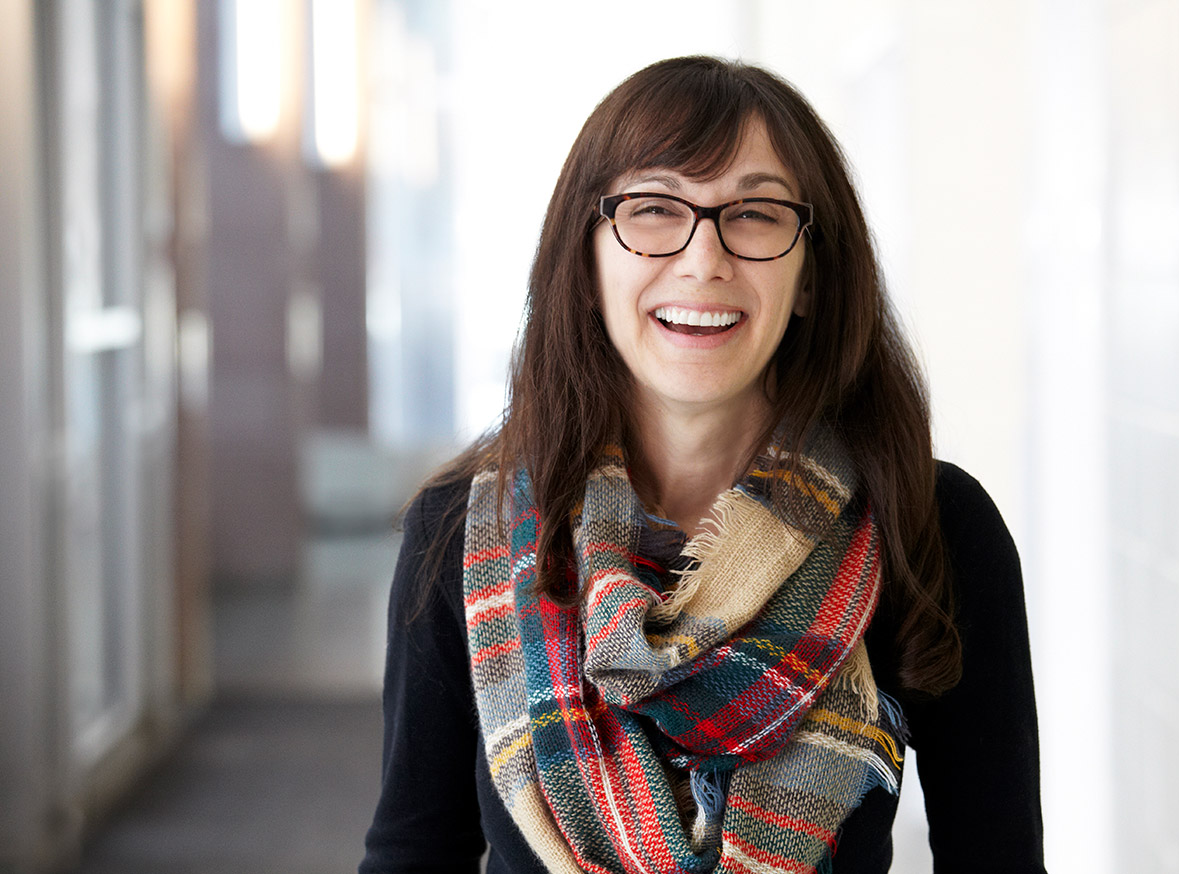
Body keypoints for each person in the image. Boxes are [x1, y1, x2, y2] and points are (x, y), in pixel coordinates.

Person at [359, 56, 1045, 874]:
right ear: (587, 262)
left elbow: (996, 857)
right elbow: (412, 853)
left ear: (811, 280)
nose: (702, 260)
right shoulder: (465, 534)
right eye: (653, 209)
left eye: (753, 214)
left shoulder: (927, 523)